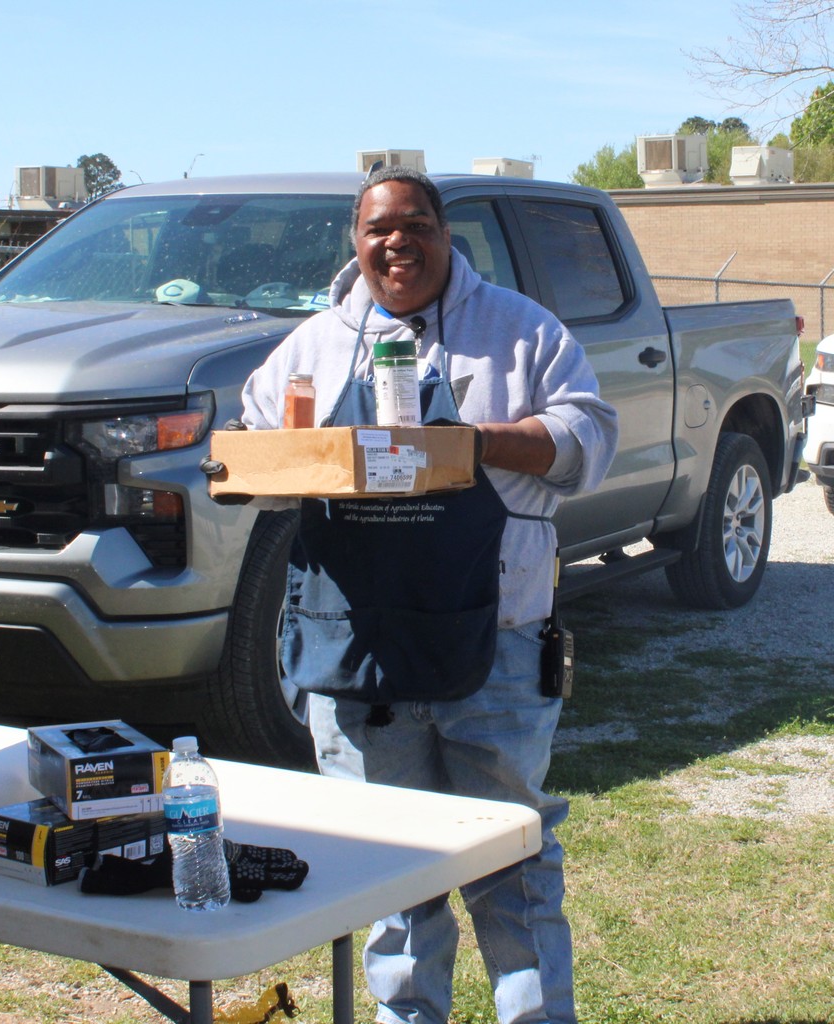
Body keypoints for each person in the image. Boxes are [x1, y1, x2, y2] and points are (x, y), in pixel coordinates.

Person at [240, 166, 618, 1024]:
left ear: (447, 235)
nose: (396, 243)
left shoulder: (520, 333)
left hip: (496, 645)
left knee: (508, 864)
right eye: (378, 230)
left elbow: (590, 440)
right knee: (388, 873)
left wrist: (472, 442)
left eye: (415, 225)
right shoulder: (311, 348)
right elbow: (258, 453)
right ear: (356, 242)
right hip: (356, 652)